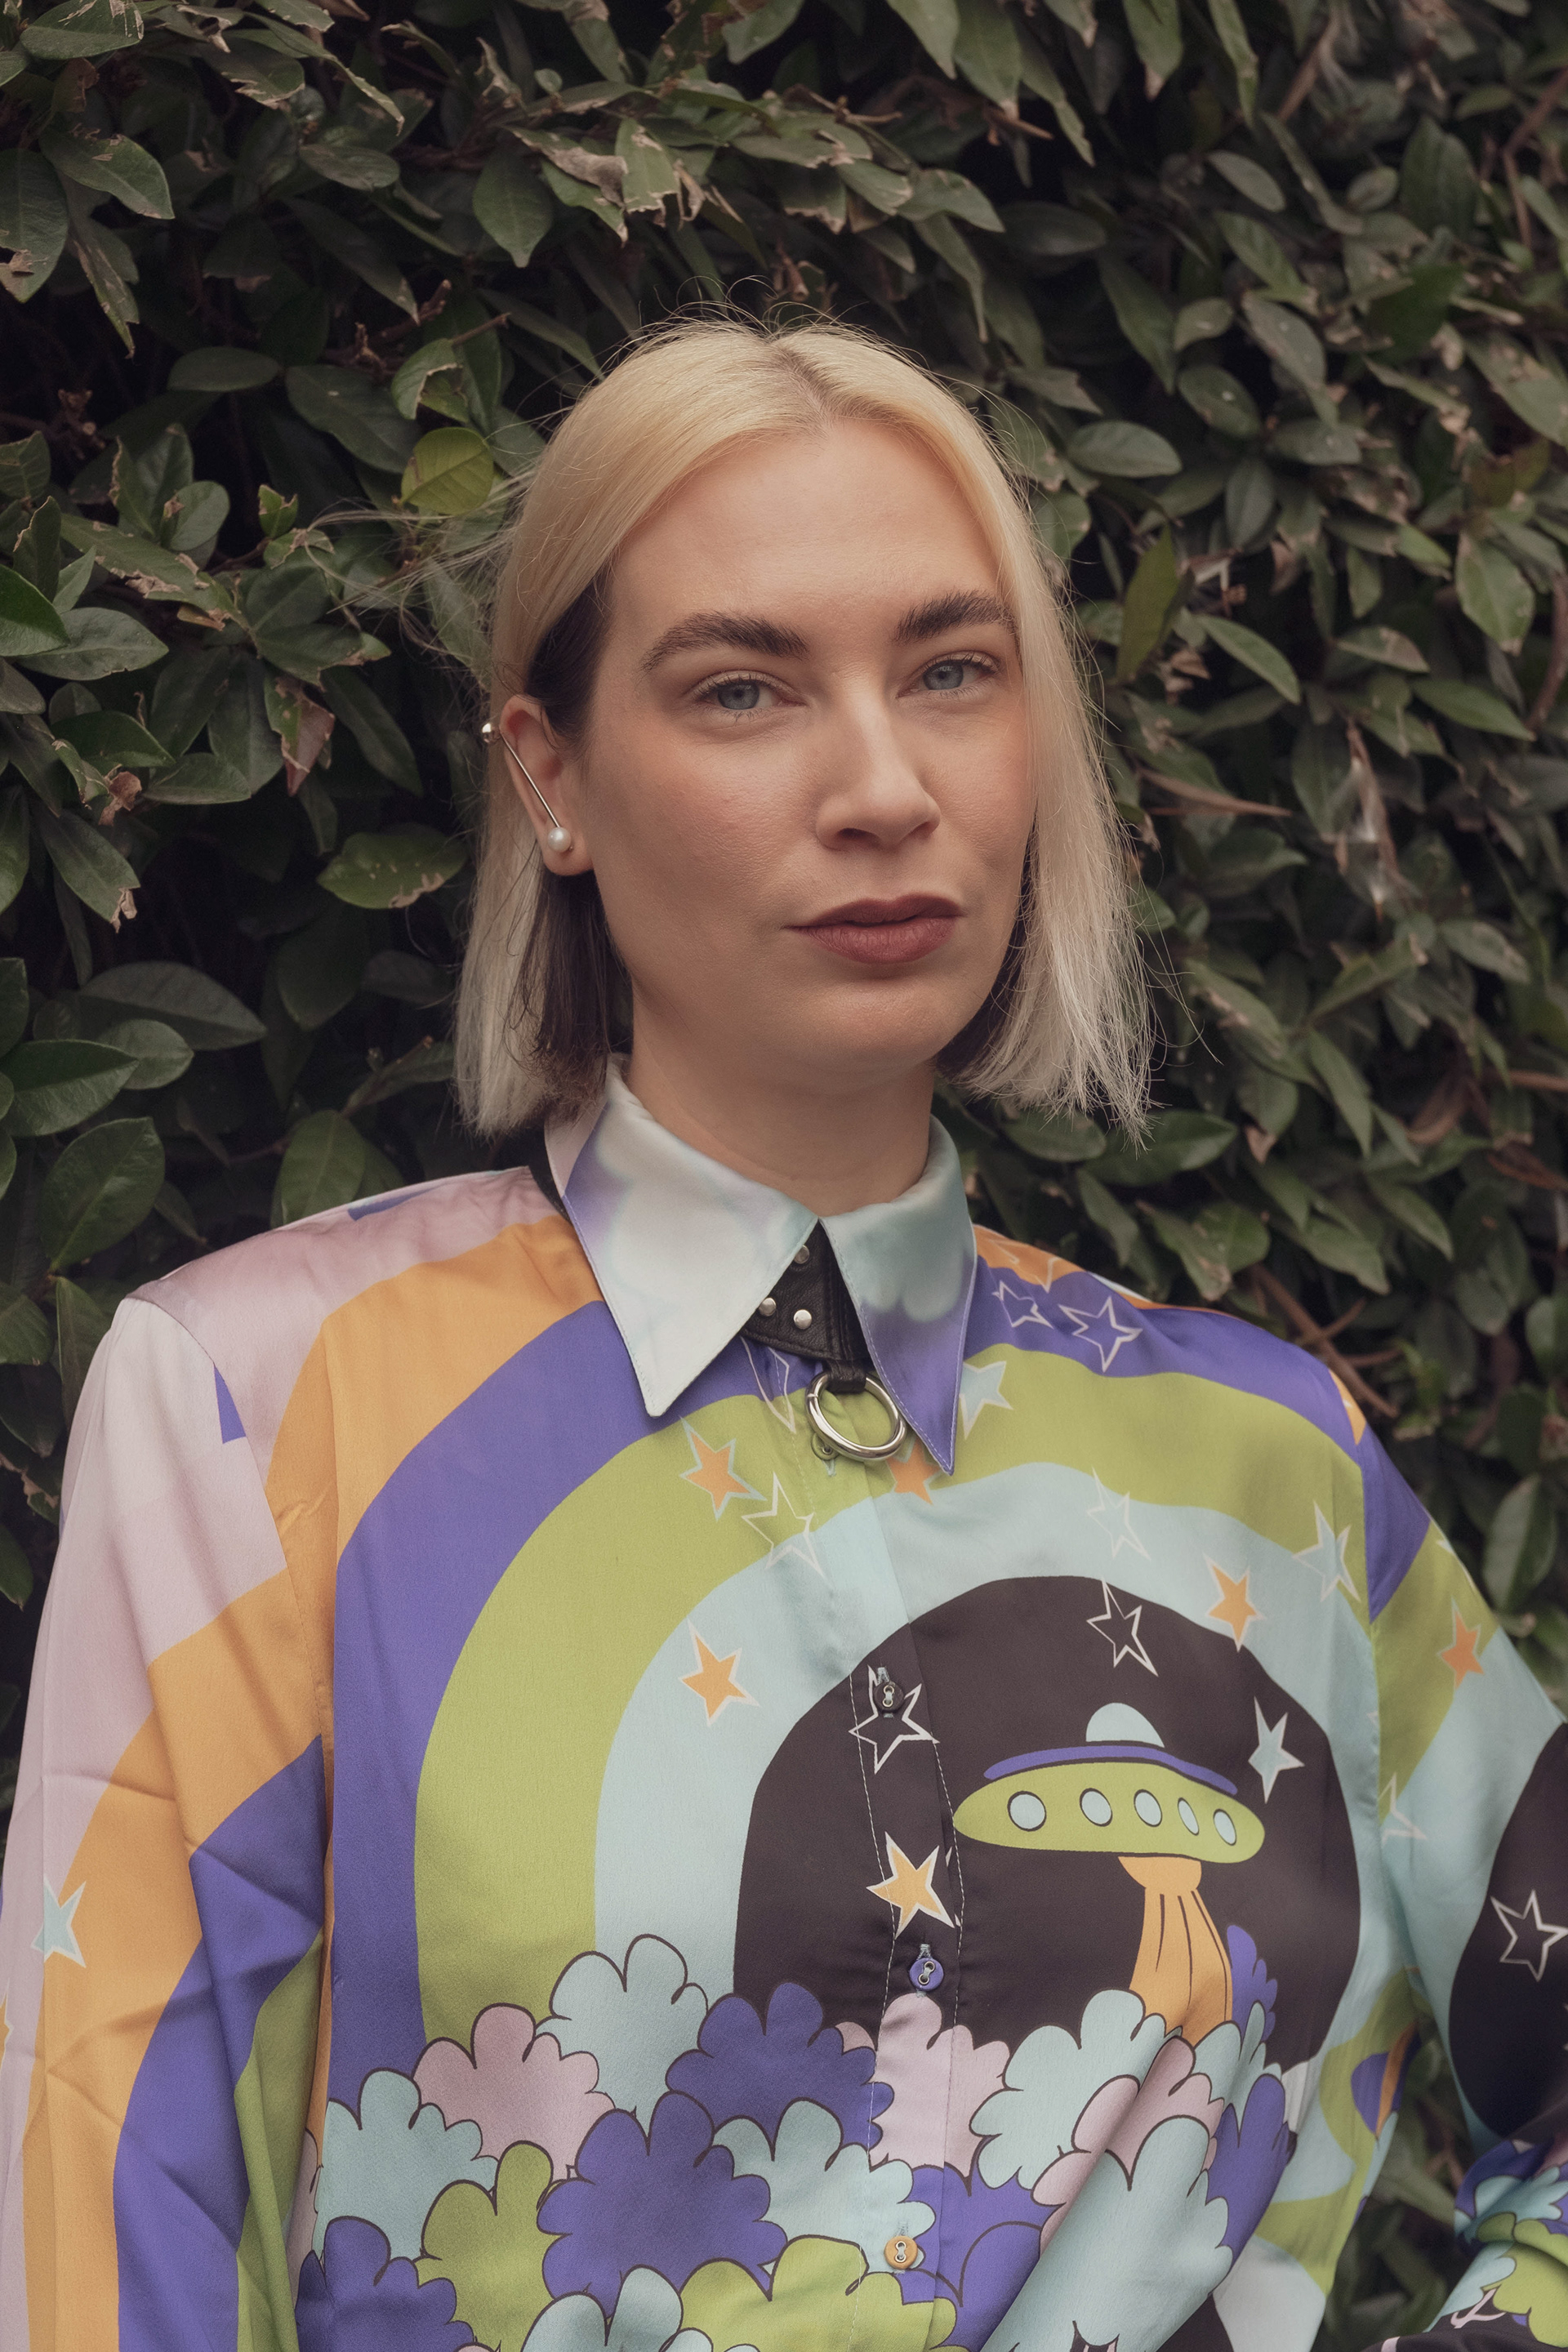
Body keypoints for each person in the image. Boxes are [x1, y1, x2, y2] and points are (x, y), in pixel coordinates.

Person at [0, 318, 1564, 2352]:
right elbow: (104, 2231)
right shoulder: (263, 1405)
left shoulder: (1269, 1463)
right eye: (743, 688)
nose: (884, 788)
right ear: (551, 777)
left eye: (954, 672)